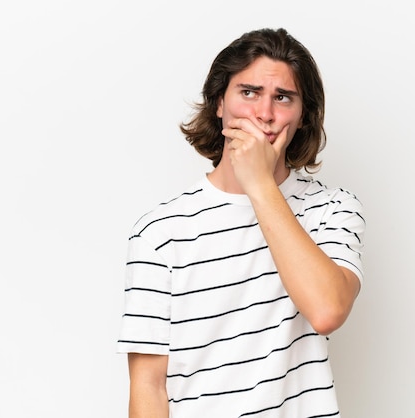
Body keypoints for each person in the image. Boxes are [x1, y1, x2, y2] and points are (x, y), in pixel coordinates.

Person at [117, 27, 365, 417]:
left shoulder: (332, 208)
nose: (264, 114)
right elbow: (148, 385)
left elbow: (327, 310)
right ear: (219, 104)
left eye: (282, 98)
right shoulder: (161, 231)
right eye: (248, 93)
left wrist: (259, 183)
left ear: (302, 116)